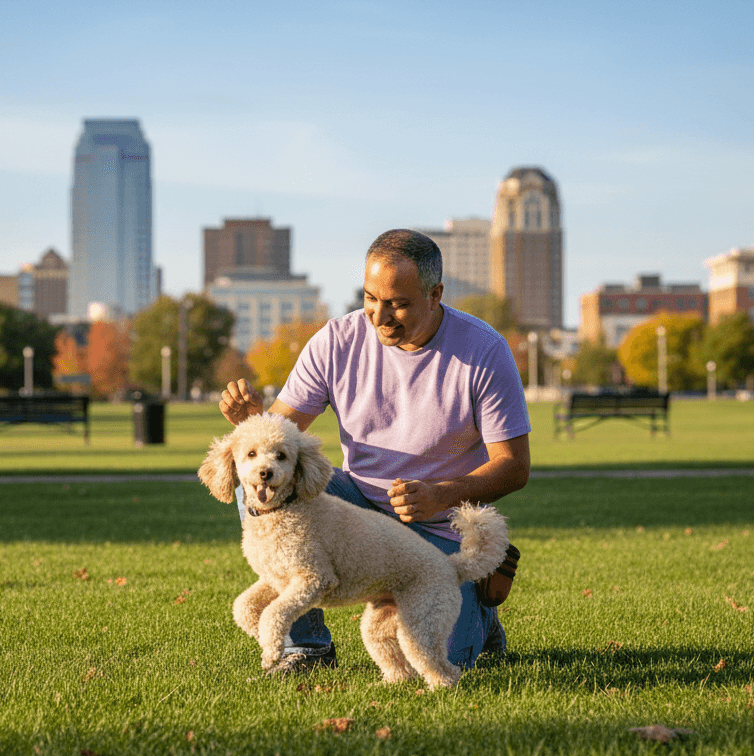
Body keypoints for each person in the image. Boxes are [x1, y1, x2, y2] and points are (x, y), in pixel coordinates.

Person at [219, 228, 531, 674]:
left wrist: (440, 495)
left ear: (435, 294)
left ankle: (479, 606)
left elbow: (514, 467)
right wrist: (252, 419)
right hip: (357, 513)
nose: (379, 316)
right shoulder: (336, 340)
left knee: (429, 659)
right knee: (259, 485)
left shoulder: (483, 351)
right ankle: (303, 648)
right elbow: (278, 438)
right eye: (370, 298)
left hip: (437, 530)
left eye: (398, 303)